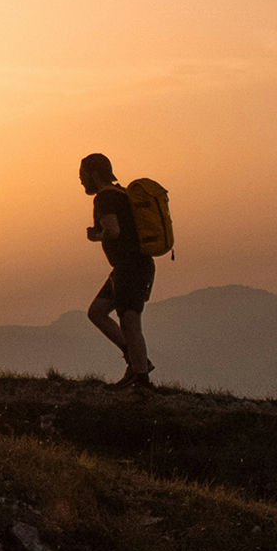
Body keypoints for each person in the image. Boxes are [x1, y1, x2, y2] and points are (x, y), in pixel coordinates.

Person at [79, 153, 155, 391]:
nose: (81, 181)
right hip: (131, 266)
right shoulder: (121, 194)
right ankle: (134, 362)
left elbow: (113, 230)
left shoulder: (104, 198)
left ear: (94, 174)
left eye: (82, 175)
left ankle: (141, 379)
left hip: (131, 268)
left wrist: (98, 235)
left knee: (130, 321)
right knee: (98, 312)